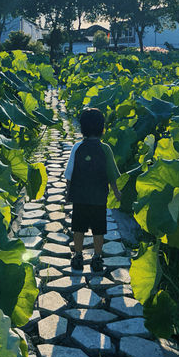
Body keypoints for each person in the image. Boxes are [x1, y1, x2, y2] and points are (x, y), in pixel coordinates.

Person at [64, 107, 121, 272]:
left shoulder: (77, 147)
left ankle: (78, 255)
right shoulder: (106, 149)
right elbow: (111, 174)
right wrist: (116, 192)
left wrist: (68, 192)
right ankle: (97, 257)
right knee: (98, 230)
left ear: (82, 129)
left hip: (80, 197)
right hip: (98, 197)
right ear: (103, 128)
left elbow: (69, 173)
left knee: (78, 228)